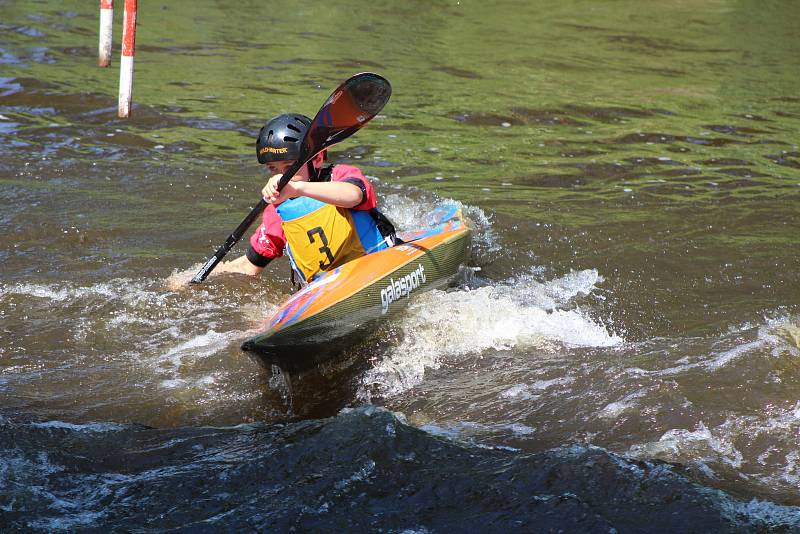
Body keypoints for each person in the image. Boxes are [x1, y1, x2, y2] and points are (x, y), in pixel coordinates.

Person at [214, 113, 397, 284]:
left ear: (317, 159)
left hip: (375, 262)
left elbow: (354, 195)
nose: (281, 176)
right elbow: (250, 265)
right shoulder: (278, 212)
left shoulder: (340, 176)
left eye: (289, 167)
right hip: (328, 287)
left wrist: (298, 188)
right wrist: (193, 277)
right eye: (273, 169)